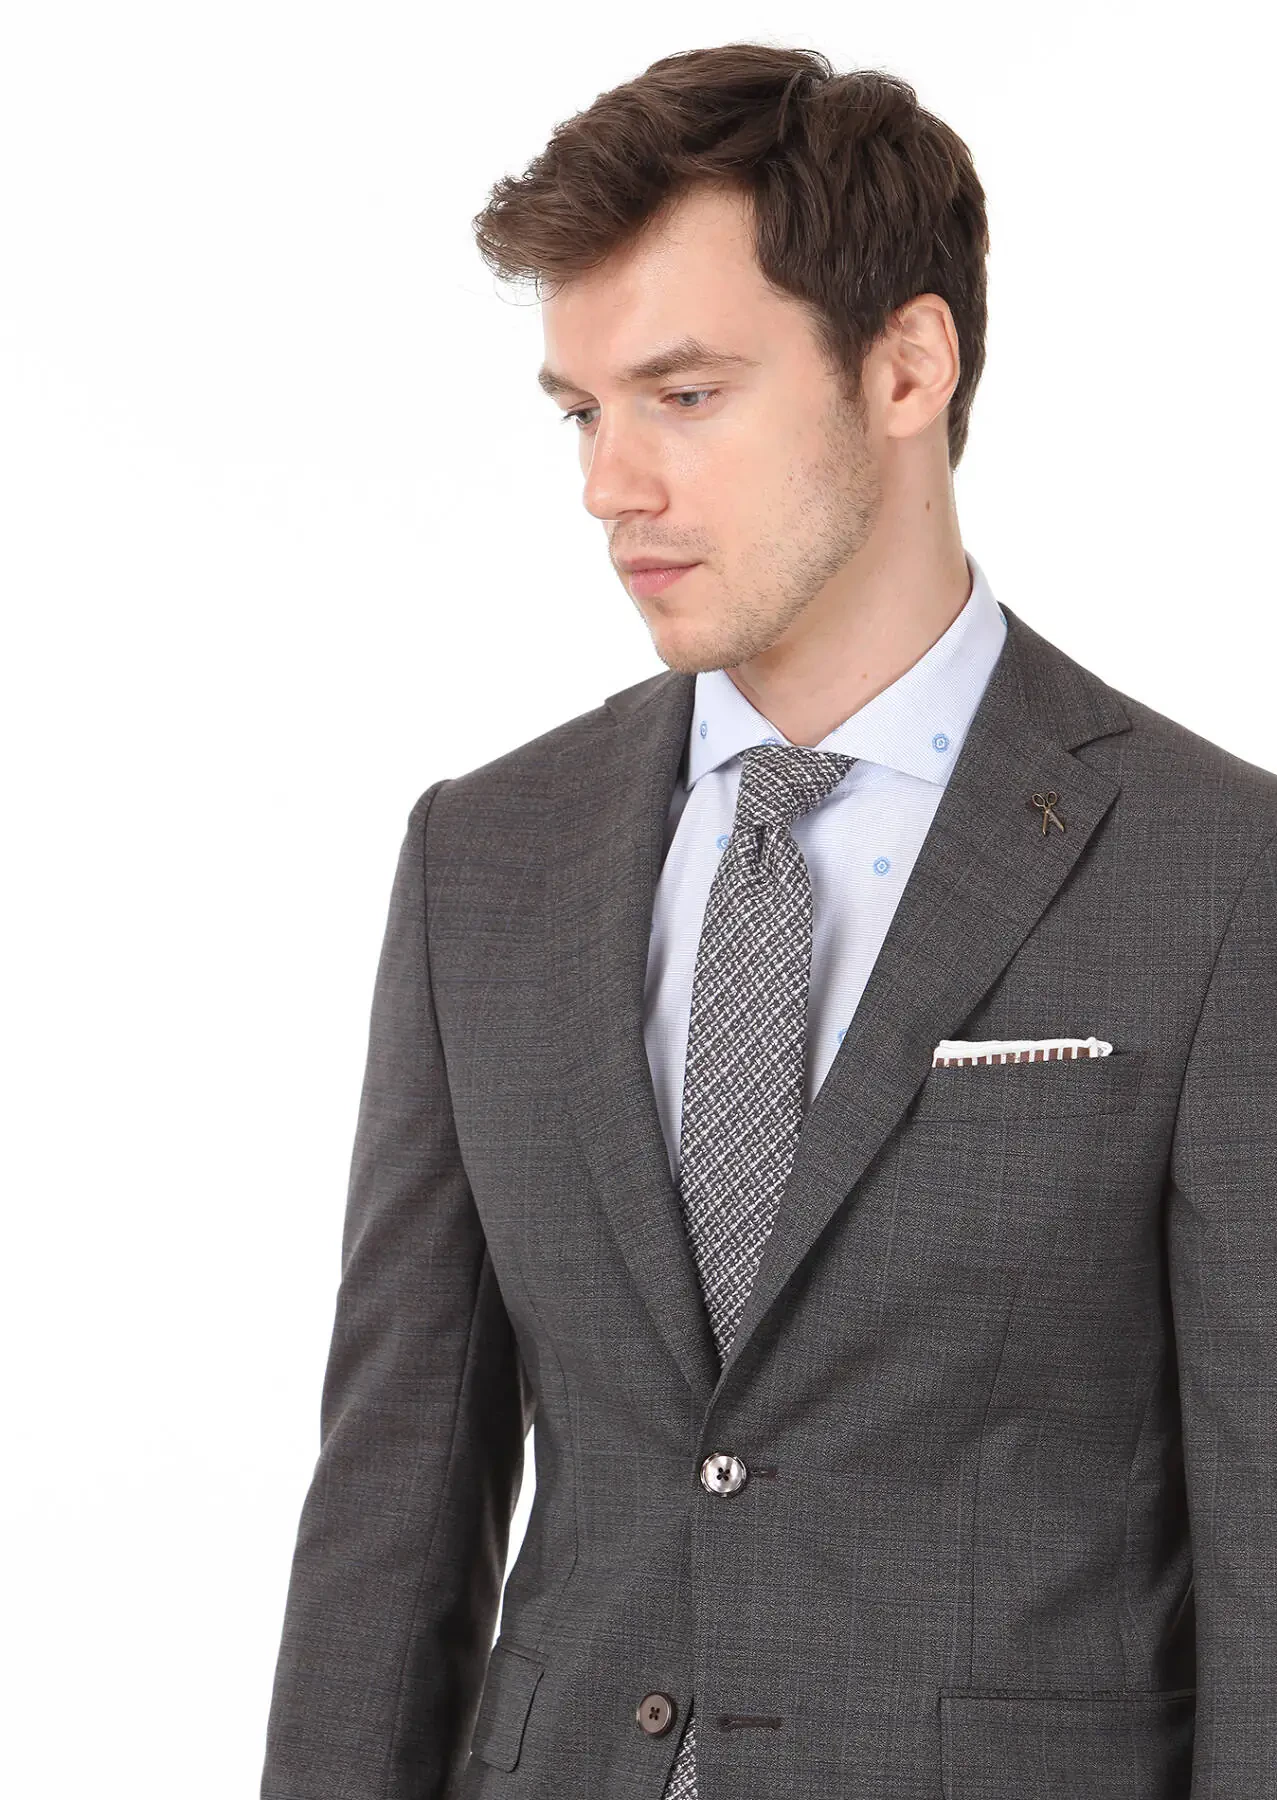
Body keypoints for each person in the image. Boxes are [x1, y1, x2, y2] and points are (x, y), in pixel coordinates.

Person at [259, 43, 1277, 1800]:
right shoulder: (485, 859)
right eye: (584, 412)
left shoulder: (1215, 871)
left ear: (906, 366)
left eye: (684, 394)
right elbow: (392, 1505)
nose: (610, 485)